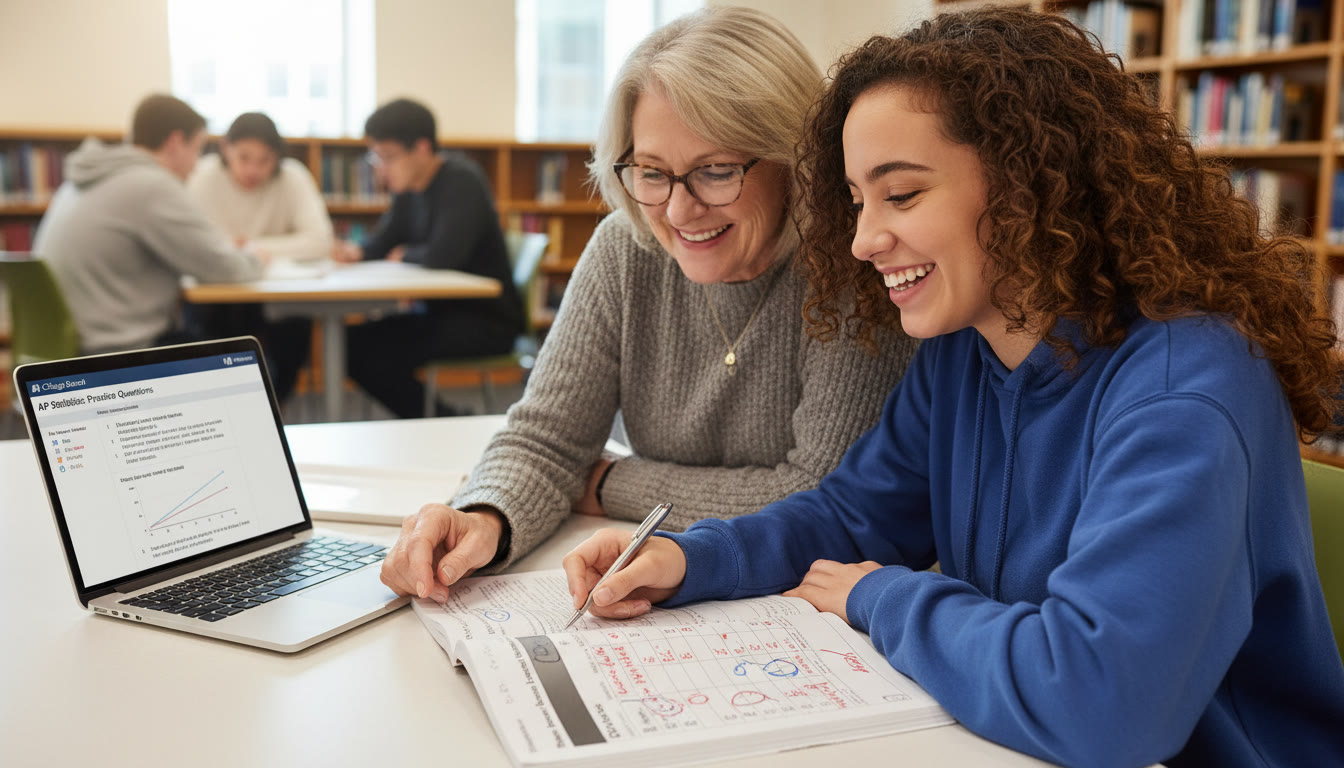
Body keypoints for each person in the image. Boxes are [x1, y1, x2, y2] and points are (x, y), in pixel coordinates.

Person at [562, 8, 1344, 767]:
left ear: (1028, 185)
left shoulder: (1185, 390)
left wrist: (884, 599)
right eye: (857, 200)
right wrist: (690, 560)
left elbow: (1101, 701)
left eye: (900, 195)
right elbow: (854, 515)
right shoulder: (964, 348)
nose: (865, 239)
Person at [378, 8, 918, 603]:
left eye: (715, 172)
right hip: (674, 588)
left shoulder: (855, 266)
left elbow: (824, 498)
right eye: (652, 172)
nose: (679, 212)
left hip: (795, 606)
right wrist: (484, 518)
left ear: (796, 159)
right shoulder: (625, 250)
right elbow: (547, 441)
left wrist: (611, 482)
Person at [331, 98, 524, 418]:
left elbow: (443, 254)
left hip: (485, 322)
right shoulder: (408, 190)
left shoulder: (462, 180)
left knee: (367, 352)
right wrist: (356, 252)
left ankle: (443, 420)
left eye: (388, 157)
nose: (381, 168)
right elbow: (384, 241)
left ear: (421, 149)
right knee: (350, 344)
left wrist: (405, 254)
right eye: (376, 157)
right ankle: (442, 417)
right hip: (438, 315)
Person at [33, 94, 266, 353]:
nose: (196, 164)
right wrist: (254, 256)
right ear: (176, 142)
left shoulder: (83, 178)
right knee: (246, 347)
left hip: (69, 342)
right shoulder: (153, 185)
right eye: (197, 149)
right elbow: (226, 268)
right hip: (118, 349)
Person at [187, 111, 332, 401]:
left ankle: (276, 410)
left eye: (264, 160)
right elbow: (192, 242)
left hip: (278, 292)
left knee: (294, 331)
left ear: (277, 157)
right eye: (243, 157)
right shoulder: (202, 176)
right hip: (220, 294)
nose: (253, 170)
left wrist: (251, 246)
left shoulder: (293, 176)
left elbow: (320, 241)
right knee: (213, 331)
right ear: (226, 148)